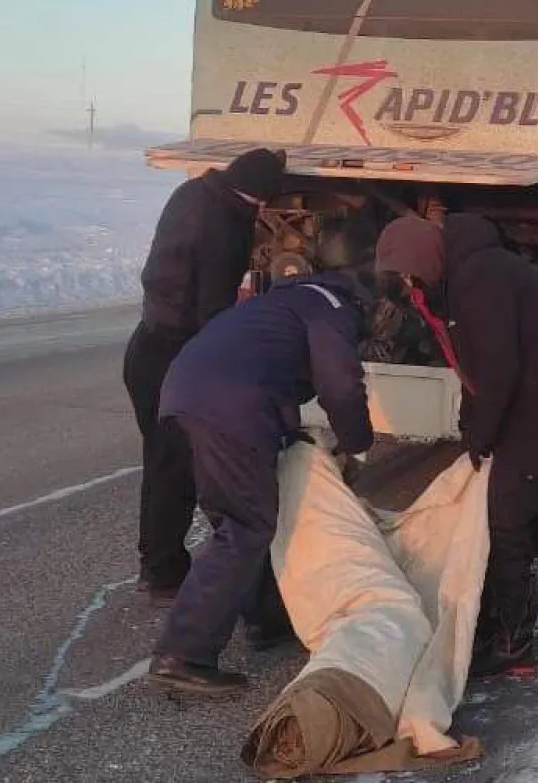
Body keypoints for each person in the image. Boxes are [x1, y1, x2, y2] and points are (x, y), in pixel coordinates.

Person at [146, 216, 377, 696]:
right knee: (248, 526)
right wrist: (356, 443)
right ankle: (184, 653)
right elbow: (340, 384)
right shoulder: (333, 308)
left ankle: (265, 619)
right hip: (229, 406)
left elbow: (265, 361)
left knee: (236, 520)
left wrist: (291, 433)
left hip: (184, 393)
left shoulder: (288, 299)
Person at [373, 212, 538, 679]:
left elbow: (498, 371)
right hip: (535, 388)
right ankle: (494, 620)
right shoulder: (461, 278)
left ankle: (514, 643)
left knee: (506, 516)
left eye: (407, 276)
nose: (408, 286)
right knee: (495, 505)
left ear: (421, 259)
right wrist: (471, 431)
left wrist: (482, 437)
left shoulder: (479, 278)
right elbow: (474, 367)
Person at [124, 147, 287, 606]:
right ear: (255, 197)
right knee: (179, 465)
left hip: (146, 345)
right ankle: (165, 577)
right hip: (176, 355)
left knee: (161, 460)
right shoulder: (221, 223)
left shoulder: (192, 193)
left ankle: (157, 566)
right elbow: (213, 310)